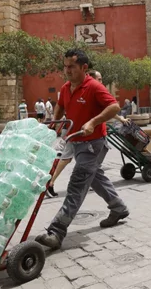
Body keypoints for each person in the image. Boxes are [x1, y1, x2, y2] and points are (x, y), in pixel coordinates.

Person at [36, 49, 129, 250]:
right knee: (96, 177)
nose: (67, 70)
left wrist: (93, 122)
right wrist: (55, 123)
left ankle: (57, 231)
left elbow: (114, 106)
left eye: (71, 67)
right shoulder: (66, 87)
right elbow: (60, 105)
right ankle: (118, 208)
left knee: (77, 184)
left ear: (84, 68)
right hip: (75, 141)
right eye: (65, 66)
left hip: (93, 144)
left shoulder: (94, 86)